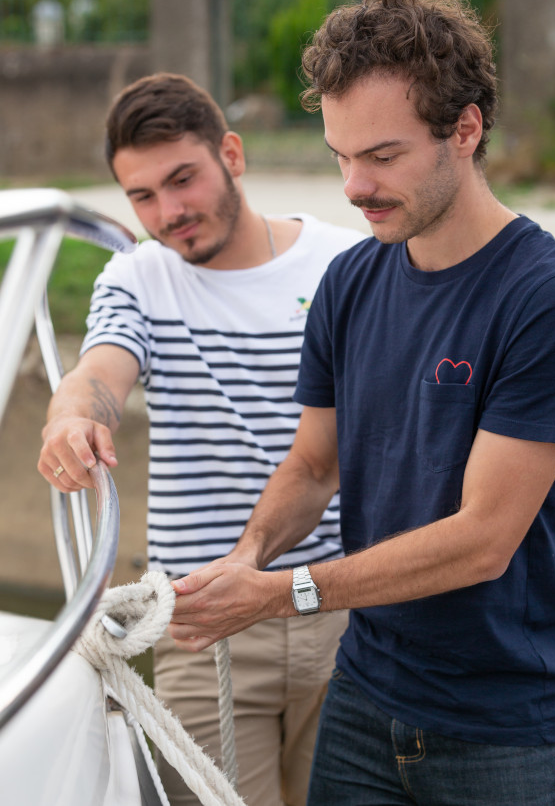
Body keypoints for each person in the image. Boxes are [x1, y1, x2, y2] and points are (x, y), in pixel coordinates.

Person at [166, 0, 555, 806]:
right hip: (364, 700)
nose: (353, 186)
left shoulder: (550, 299)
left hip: (507, 731)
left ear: (465, 131)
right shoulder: (349, 283)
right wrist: (246, 558)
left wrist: (284, 593)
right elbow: (314, 466)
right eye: (340, 155)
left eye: (382, 156)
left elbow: (483, 541)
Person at [37, 72, 364, 806]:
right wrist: (72, 417)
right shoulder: (137, 278)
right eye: (142, 196)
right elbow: (100, 367)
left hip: (344, 614)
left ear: (233, 156)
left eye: (183, 179)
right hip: (200, 624)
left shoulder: (350, 264)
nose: (169, 212)